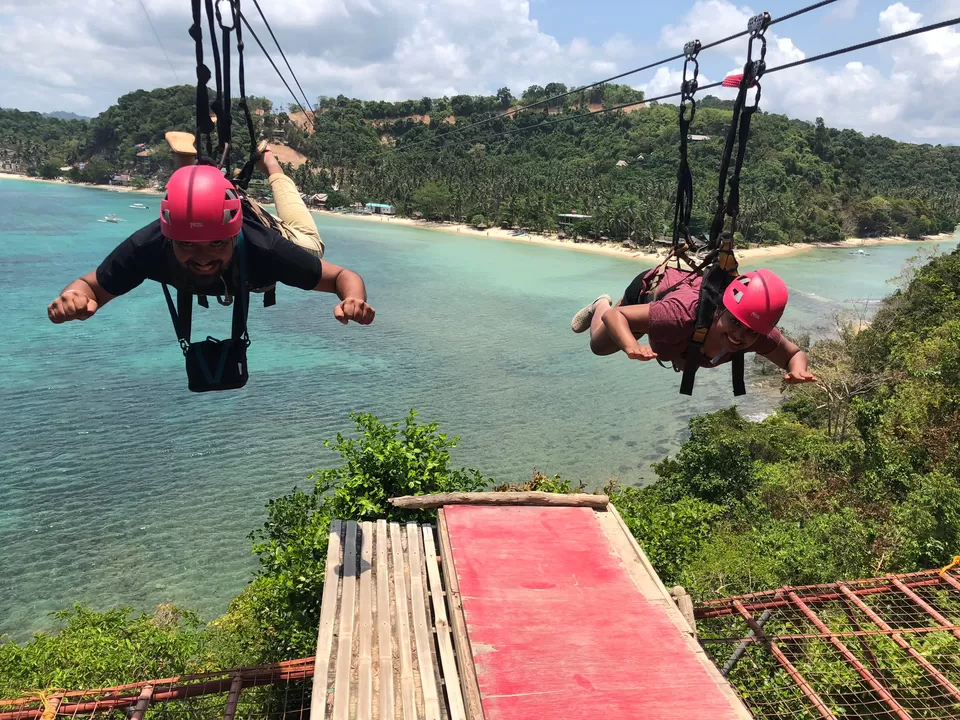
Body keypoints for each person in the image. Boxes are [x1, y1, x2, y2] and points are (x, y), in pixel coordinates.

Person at [47, 148, 374, 329]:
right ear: (169, 237)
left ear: (233, 236)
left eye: (217, 243)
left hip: (272, 234)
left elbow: (342, 277)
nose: (203, 257)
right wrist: (74, 297)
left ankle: (271, 164)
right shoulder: (147, 247)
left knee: (311, 244)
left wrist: (352, 299)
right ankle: (186, 170)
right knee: (189, 197)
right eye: (187, 244)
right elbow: (89, 287)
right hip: (208, 215)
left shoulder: (268, 249)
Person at [571, 265, 817, 385]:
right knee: (599, 346)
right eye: (734, 322)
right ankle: (600, 301)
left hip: (676, 328)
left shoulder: (756, 329)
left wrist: (797, 370)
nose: (739, 335)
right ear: (720, 308)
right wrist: (630, 344)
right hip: (648, 293)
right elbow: (616, 317)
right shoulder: (679, 315)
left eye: (751, 332)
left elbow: (793, 354)